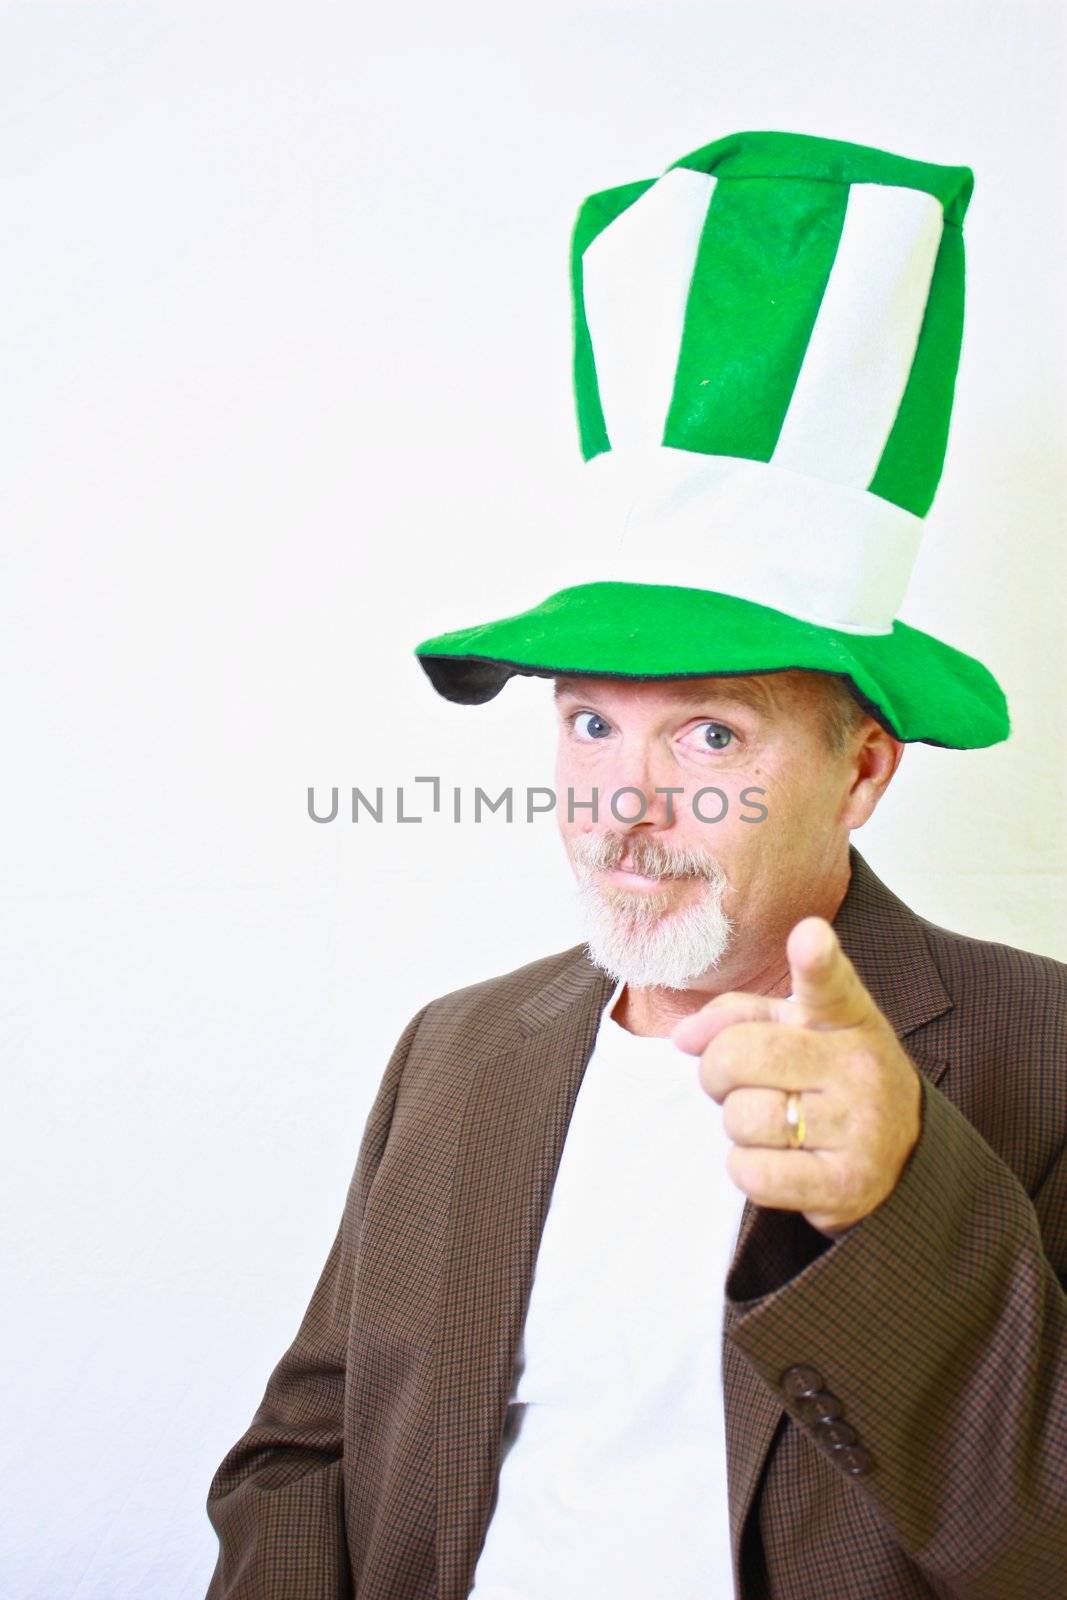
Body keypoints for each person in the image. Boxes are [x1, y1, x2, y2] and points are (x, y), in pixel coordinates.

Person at [204, 131, 1067, 1599]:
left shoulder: (1043, 1050)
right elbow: (300, 1459)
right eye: (592, 719)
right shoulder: (456, 1051)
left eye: (713, 737)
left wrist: (902, 1202)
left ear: (861, 770)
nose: (623, 804)